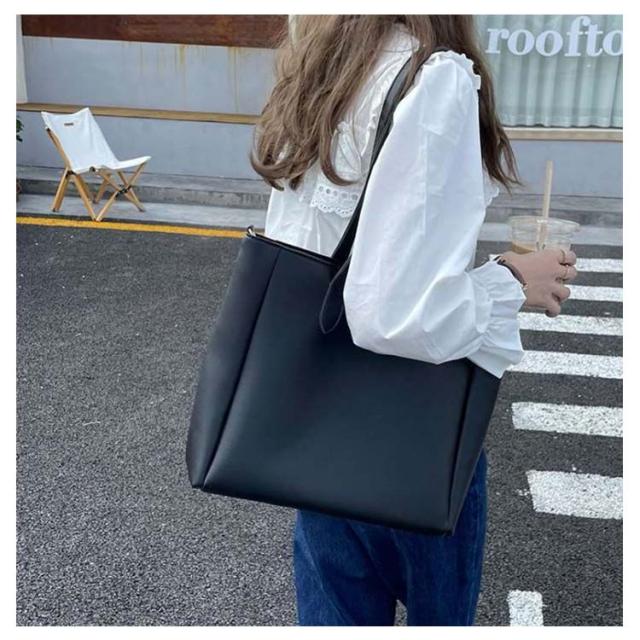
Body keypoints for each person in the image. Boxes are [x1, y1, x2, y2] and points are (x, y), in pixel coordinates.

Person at [249, 15, 578, 627]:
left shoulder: (324, 64)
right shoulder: (434, 77)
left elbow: (308, 256)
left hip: (314, 420)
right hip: (416, 429)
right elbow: (395, 314)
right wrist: (512, 280)